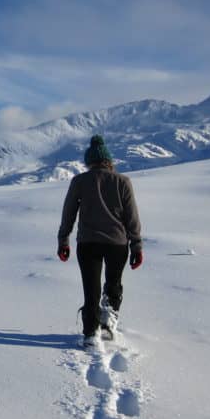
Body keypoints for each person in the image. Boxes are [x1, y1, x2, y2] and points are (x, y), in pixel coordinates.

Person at [57, 135, 143, 348]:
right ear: (109, 161)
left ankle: (90, 334)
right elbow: (131, 216)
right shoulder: (123, 182)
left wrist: (63, 241)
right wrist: (137, 245)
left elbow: (68, 213)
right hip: (118, 244)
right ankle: (108, 323)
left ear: (89, 161)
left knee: (91, 289)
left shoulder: (79, 181)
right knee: (113, 284)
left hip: (88, 244)